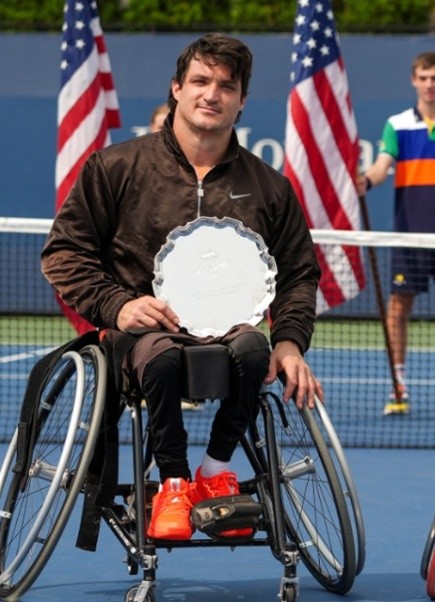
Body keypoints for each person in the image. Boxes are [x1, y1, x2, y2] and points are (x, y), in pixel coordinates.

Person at [42, 33, 323, 542]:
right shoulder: (115, 167)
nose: (211, 94)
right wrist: (119, 306)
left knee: (255, 348)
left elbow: (299, 274)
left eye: (226, 85)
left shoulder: (270, 187)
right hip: (143, 336)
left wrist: (290, 340)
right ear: (177, 88)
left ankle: (213, 471)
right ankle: (171, 483)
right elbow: (64, 253)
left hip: (230, 336)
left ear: (241, 100)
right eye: (200, 80)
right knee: (164, 355)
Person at [356, 51, 435, 417]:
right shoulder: (396, 125)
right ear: (414, 81)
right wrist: (365, 180)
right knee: (399, 308)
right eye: (423, 78)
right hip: (408, 236)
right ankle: (399, 387)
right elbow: (382, 167)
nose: (429, 84)